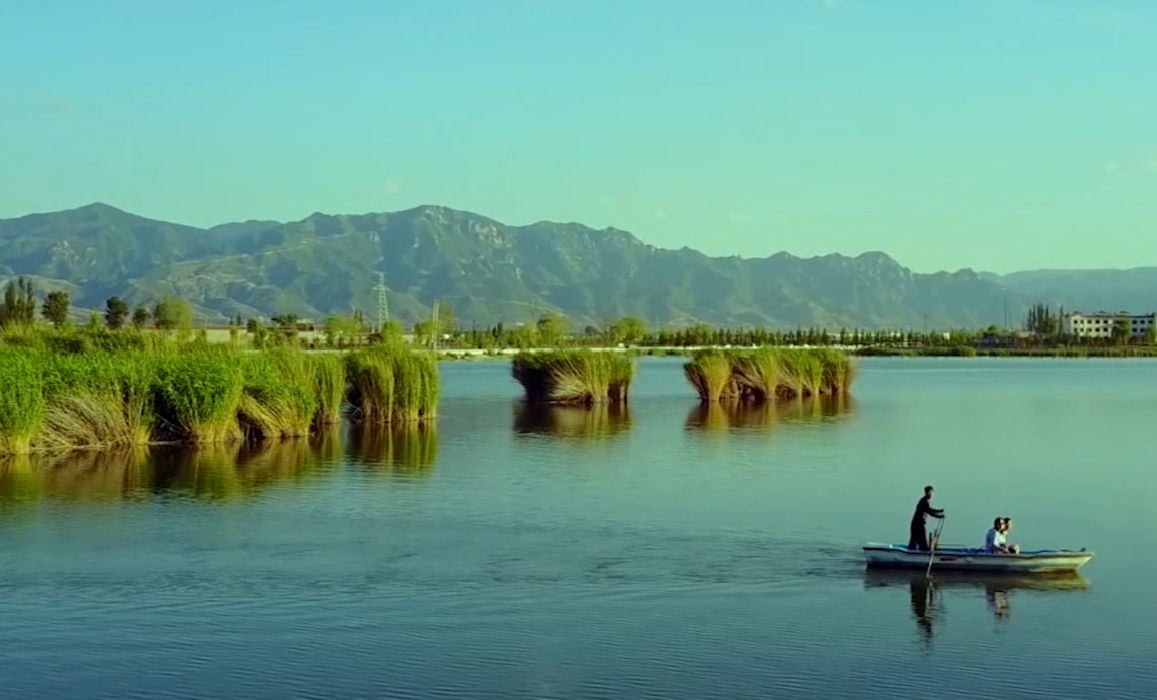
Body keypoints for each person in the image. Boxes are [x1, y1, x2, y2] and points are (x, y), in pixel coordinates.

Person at [908, 485, 945, 551]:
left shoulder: (925, 501)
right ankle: (917, 555)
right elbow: (929, 512)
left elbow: (929, 509)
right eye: (931, 493)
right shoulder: (924, 501)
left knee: (917, 541)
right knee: (919, 541)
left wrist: (939, 511)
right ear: (927, 493)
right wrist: (939, 516)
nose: (932, 495)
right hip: (917, 524)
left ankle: (916, 553)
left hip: (918, 524)